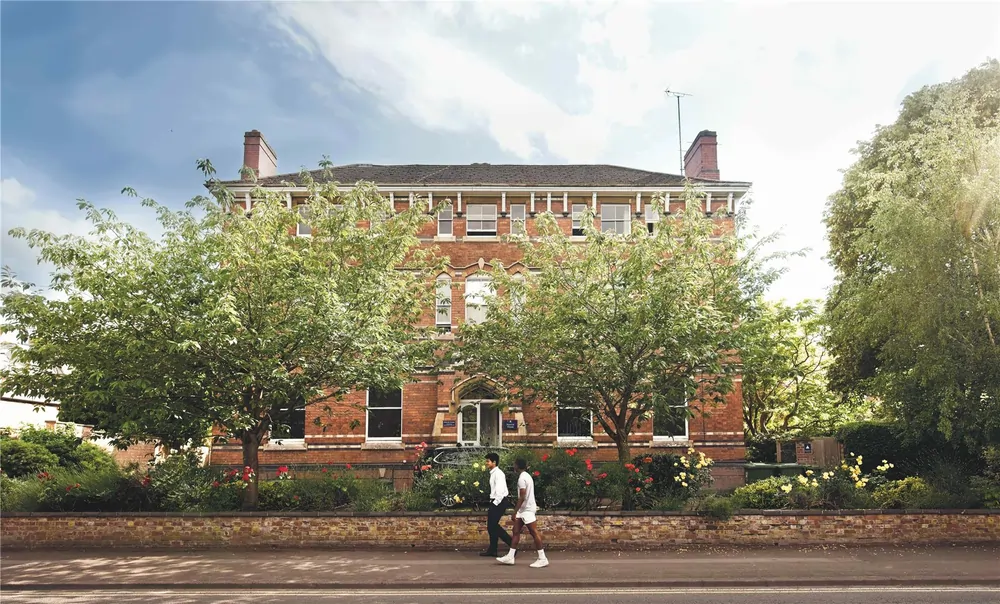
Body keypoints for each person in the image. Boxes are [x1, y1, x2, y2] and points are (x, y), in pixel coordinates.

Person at [496, 458, 548, 568]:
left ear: (518, 466)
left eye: (514, 464)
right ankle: (510, 556)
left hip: (527, 509)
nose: (513, 466)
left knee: (534, 532)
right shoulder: (526, 476)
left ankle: (542, 558)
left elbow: (522, 496)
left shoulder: (522, 478)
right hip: (523, 509)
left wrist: (515, 511)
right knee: (515, 531)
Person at [480, 452, 512, 557]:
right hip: (496, 501)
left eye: (488, 461)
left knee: (493, 526)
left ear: (494, 462)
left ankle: (512, 545)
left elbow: (500, 491)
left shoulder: (498, 474)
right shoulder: (493, 473)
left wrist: (495, 503)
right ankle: (493, 550)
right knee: (491, 526)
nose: (486, 463)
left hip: (499, 501)